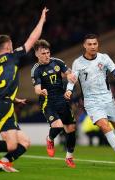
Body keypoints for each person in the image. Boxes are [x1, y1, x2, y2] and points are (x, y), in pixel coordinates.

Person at [65, 34, 115, 167]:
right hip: (92, 102)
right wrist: (69, 90)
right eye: (90, 44)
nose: (93, 46)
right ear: (84, 46)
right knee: (105, 126)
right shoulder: (78, 63)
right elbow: (72, 80)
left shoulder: (104, 58)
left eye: (95, 44)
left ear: (98, 44)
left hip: (108, 100)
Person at [0, 7, 48, 172]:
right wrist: (42, 20)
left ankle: (4, 162)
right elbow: (33, 39)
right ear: (8, 45)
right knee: (12, 145)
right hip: (2, 106)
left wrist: (13, 98)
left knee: (25, 142)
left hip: (6, 104)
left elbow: (3, 84)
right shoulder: (12, 56)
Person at [31, 39, 77, 168]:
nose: (46, 55)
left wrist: (69, 76)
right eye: (43, 53)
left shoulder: (58, 62)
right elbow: (36, 89)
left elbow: (69, 73)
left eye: (48, 52)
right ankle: (50, 139)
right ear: (37, 54)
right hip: (48, 102)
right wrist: (41, 91)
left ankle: (69, 157)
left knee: (71, 129)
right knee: (58, 126)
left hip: (62, 100)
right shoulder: (36, 69)